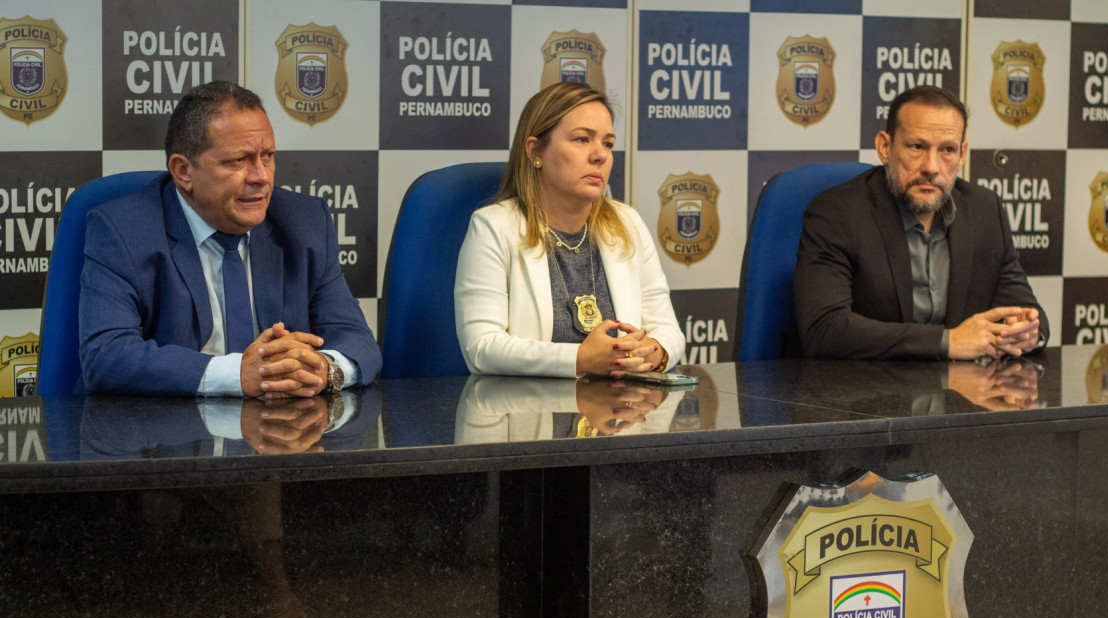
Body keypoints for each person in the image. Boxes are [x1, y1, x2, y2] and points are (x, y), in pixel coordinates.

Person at [79, 80, 380, 396]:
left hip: (283, 422)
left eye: (268, 156)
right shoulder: (123, 230)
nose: (261, 177)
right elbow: (106, 355)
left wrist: (323, 368)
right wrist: (237, 374)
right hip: (170, 424)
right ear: (183, 171)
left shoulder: (304, 221)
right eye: (239, 160)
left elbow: (357, 340)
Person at [793, 85, 1048, 361]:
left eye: (947, 150)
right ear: (885, 147)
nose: (931, 167)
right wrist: (947, 341)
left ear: (962, 154)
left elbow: (1028, 310)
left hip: (960, 386)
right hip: (866, 385)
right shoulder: (837, 214)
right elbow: (824, 329)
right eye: (917, 147)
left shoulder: (985, 211)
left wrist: (1026, 332)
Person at [454, 82, 685, 378]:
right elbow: (481, 348)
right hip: (529, 405)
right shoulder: (494, 227)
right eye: (582, 139)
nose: (600, 155)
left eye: (608, 143)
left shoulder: (628, 223)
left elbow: (669, 331)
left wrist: (654, 352)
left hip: (621, 405)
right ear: (535, 150)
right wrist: (580, 359)